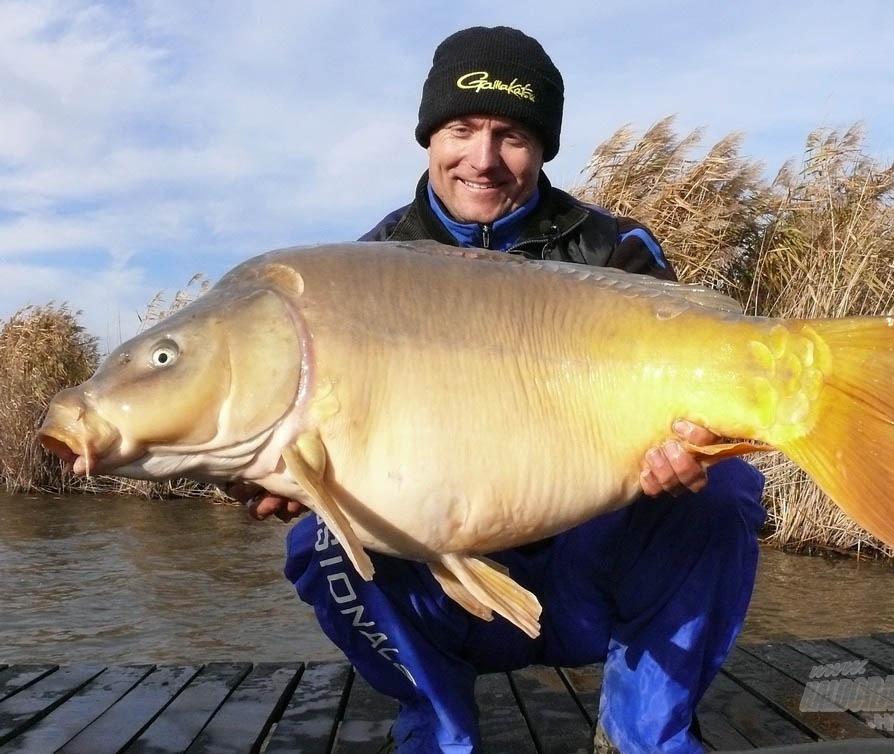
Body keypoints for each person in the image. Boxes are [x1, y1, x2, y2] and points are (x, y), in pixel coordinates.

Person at [240, 26, 766, 754]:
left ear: (543, 146)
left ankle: (646, 737)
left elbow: (690, 399)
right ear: (430, 137)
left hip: (588, 571)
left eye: (511, 135)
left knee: (725, 491)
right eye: (461, 129)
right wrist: (274, 475)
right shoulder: (365, 270)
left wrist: (690, 453)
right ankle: (439, 728)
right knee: (319, 543)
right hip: (450, 591)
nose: (481, 159)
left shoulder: (614, 252)